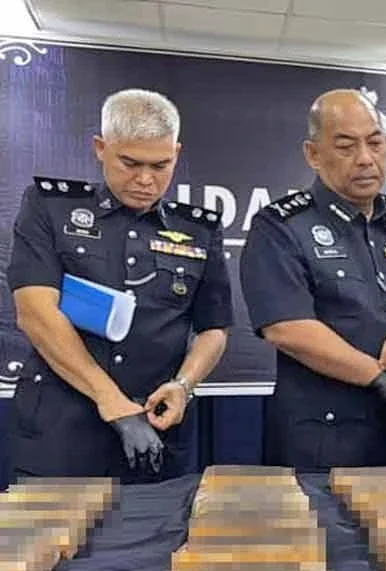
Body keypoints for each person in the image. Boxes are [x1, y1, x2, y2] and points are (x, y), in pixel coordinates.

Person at [6, 88, 233, 483]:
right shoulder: (51, 208)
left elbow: (214, 329)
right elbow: (35, 313)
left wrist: (183, 385)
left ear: (176, 153)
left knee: (159, 523)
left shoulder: (199, 229)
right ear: (101, 147)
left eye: (160, 165)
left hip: (157, 426)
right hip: (61, 430)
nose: (145, 179)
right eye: (130, 163)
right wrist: (110, 400)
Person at [240, 89, 386, 470]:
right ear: (313, 155)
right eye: (345, 147)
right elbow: (286, 328)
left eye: (375, 143)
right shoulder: (280, 227)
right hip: (324, 437)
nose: (365, 158)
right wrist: (380, 378)